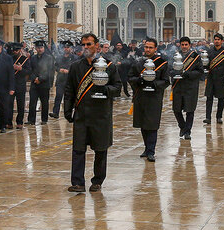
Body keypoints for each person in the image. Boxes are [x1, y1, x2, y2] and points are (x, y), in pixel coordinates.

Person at [64, 33, 120, 192]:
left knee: (100, 149)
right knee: (78, 149)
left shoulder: (108, 66)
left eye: (89, 44)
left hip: (101, 114)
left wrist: (104, 89)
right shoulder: (76, 67)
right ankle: (77, 182)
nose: (86, 47)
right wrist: (68, 110)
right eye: (83, 45)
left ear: (97, 45)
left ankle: (97, 181)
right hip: (82, 114)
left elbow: (117, 88)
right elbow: (69, 90)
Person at [128, 37, 169, 161]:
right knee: (143, 124)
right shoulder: (139, 63)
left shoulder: (162, 63)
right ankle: (146, 148)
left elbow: (166, 81)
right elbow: (130, 77)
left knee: (152, 124)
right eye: (146, 47)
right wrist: (139, 80)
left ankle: (151, 151)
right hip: (141, 96)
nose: (148, 49)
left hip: (154, 97)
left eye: (151, 47)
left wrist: (154, 84)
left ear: (155, 49)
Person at [171, 36, 204, 140]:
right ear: (180, 45)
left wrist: (187, 73)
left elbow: (200, 71)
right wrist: (175, 73)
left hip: (190, 86)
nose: (184, 46)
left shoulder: (195, 56)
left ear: (189, 45)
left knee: (190, 110)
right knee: (176, 109)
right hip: (178, 85)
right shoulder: (175, 55)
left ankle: (187, 131)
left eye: (186, 44)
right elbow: (169, 69)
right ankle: (182, 126)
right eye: (182, 44)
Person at [204, 33, 224, 125]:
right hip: (211, 77)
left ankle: (219, 117)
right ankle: (208, 117)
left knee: (221, 99)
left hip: (222, 78)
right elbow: (206, 64)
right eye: (215, 39)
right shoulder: (209, 51)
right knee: (209, 98)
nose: (216, 41)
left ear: (222, 41)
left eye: (218, 39)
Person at [26, 40, 55, 124]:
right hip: (34, 83)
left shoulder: (49, 58)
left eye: (41, 47)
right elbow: (30, 70)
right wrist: (34, 78)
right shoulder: (33, 58)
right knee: (32, 102)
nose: (40, 49)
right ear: (36, 48)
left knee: (44, 102)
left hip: (44, 83)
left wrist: (40, 79)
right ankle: (31, 120)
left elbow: (50, 71)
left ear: (44, 48)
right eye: (38, 48)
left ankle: (44, 119)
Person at [0, 38, 15, 132]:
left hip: (3, 86)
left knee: (4, 107)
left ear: (0, 47)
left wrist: (11, 87)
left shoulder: (7, 58)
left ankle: (3, 126)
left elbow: (11, 73)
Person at [51, 41, 74, 119]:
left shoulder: (74, 58)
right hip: (60, 80)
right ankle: (55, 112)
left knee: (68, 98)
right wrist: (59, 69)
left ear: (71, 49)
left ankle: (69, 113)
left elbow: (76, 68)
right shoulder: (59, 57)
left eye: (68, 47)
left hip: (69, 81)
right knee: (58, 97)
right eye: (65, 47)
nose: (66, 49)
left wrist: (68, 71)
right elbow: (55, 66)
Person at [11, 43, 32, 128]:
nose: (15, 52)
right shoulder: (10, 59)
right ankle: (9, 122)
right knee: (9, 104)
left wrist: (21, 69)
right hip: (11, 83)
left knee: (20, 104)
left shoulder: (25, 59)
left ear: (20, 50)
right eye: (13, 50)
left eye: (16, 50)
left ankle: (19, 122)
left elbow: (29, 71)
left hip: (20, 84)